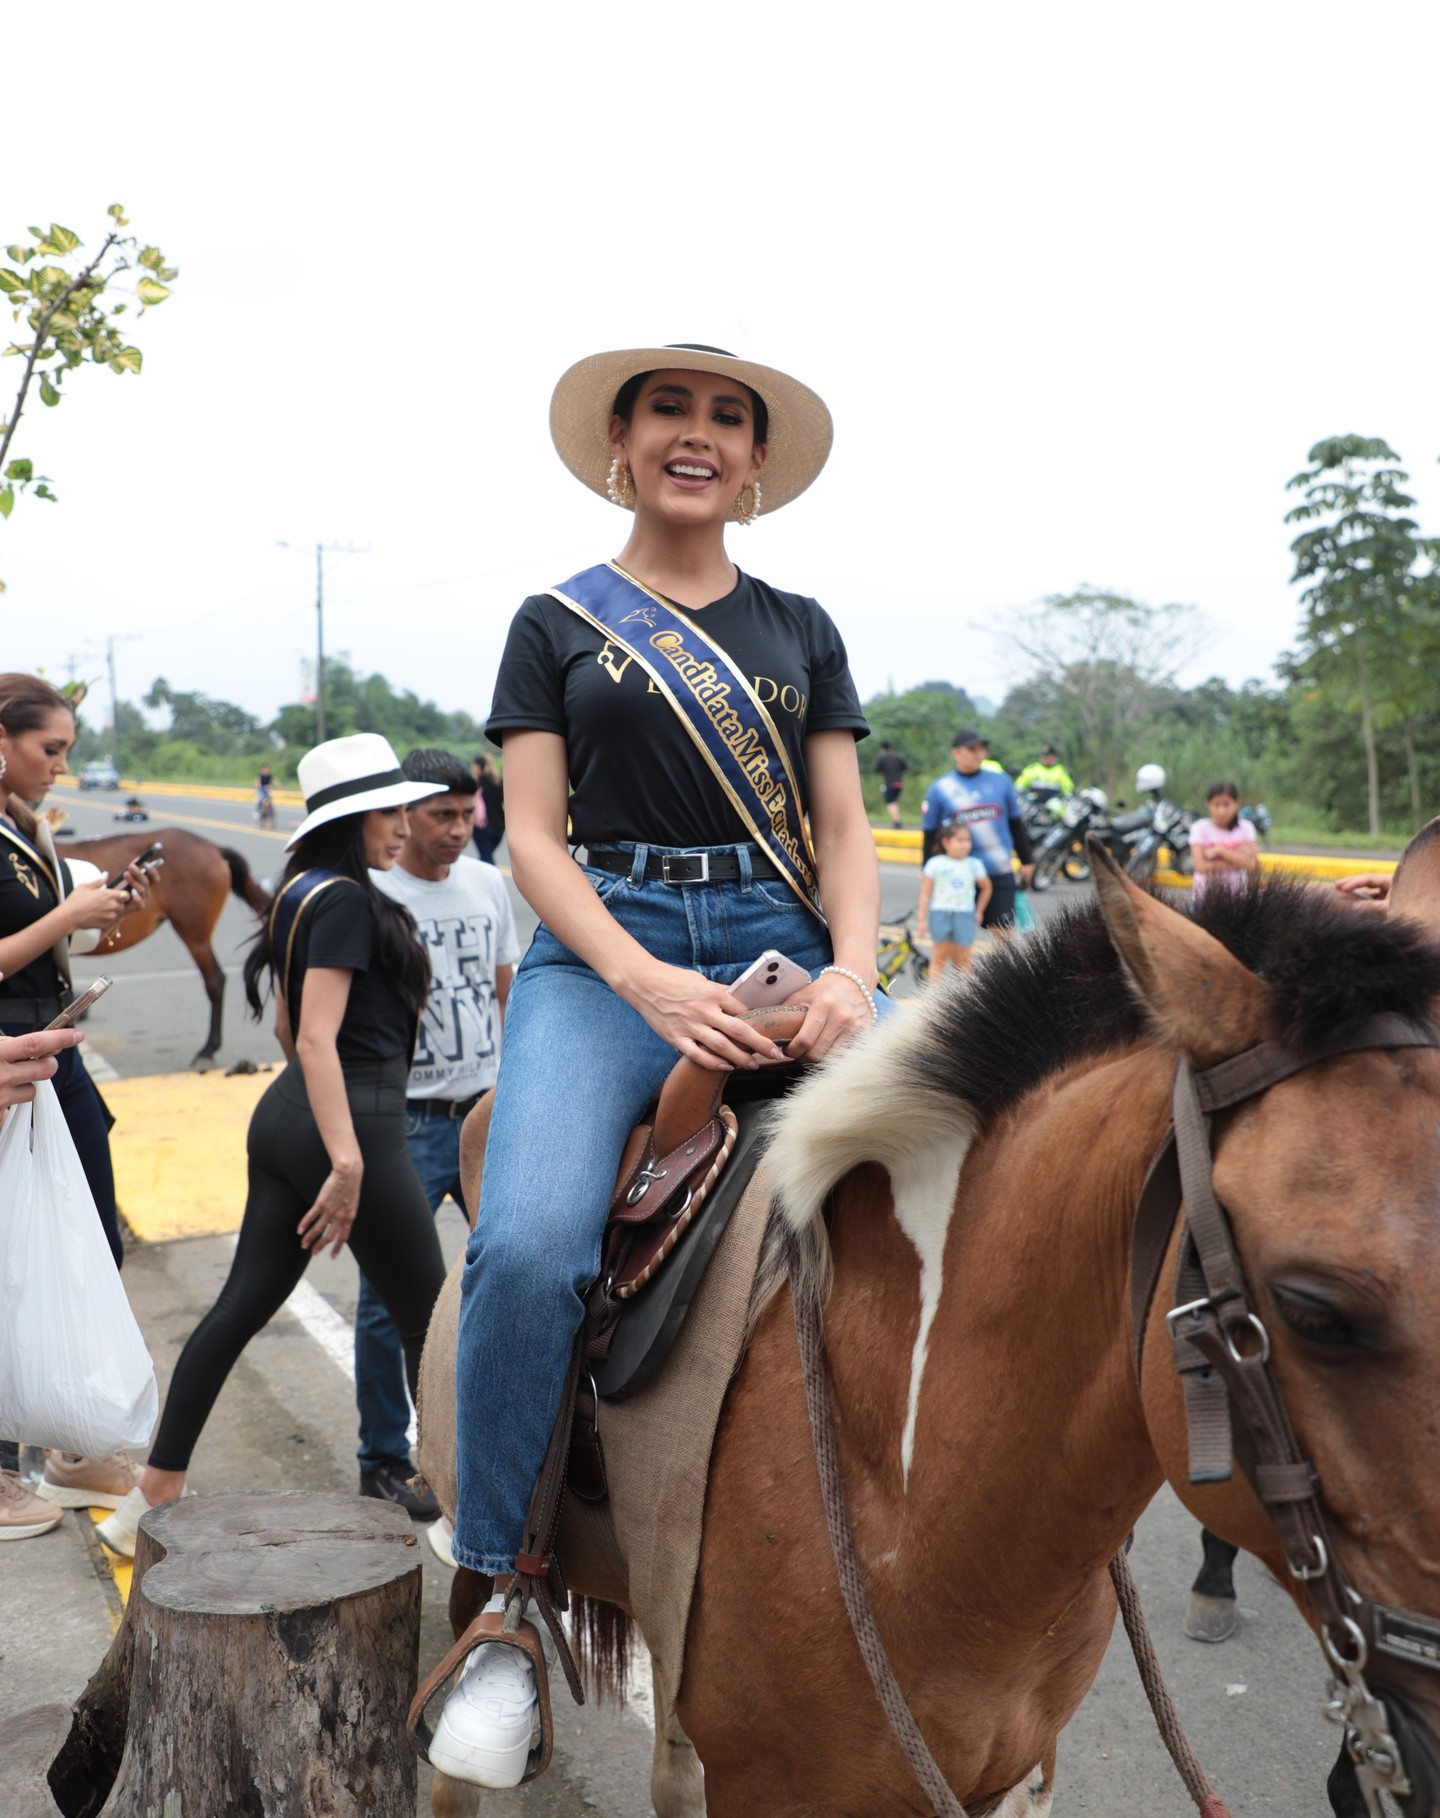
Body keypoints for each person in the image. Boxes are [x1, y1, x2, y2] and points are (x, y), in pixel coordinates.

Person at [429, 342, 885, 1790]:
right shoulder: (552, 620)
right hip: (602, 953)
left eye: (727, 418)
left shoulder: (801, 625)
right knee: (532, 1241)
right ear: (621, 442)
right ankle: (503, 1597)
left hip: (782, 940)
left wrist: (856, 975)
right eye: (671, 410)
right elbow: (534, 839)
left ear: (756, 463)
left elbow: (848, 826)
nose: (700, 435)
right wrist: (639, 977)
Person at [96, 734, 450, 1558]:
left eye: (402, 808)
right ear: (348, 819)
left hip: (288, 1116)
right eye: (386, 810)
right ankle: (468, 1511)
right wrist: (349, 1159)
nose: (401, 825)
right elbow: (319, 1039)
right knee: (432, 1326)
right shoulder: (351, 904)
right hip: (350, 1124)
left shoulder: (300, 890)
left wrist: (318, 1135)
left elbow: (291, 1028)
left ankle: (149, 1493)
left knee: (240, 1306)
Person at [354, 747, 520, 1521]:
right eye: (441, 816)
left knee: (514, 1275)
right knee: (387, 1302)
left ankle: (492, 1439)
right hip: (406, 1124)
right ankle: (385, 1456)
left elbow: (508, 993)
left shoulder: (488, 883)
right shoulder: (370, 894)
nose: (460, 829)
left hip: (485, 1116)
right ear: (403, 816)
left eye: (468, 814)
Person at [0, 673, 151, 1268]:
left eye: (67, 751)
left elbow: (44, 933)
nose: (61, 767)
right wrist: (68, 913)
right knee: (31, 1258)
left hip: (57, 1051)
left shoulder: (21, 827)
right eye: (51, 749)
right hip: (11, 1058)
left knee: (97, 1247)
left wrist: (102, 908)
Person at [920, 730, 1034, 928]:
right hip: (958, 875)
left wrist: (1027, 860)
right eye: (972, 749)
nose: (978, 754)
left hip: (999, 871)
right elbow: (931, 835)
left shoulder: (1001, 781)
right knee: (957, 941)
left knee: (1004, 938)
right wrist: (927, 872)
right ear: (956, 752)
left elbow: (1016, 823)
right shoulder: (940, 788)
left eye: (982, 749)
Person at [916, 819, 992, 979]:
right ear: (946, 842)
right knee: (939, 956)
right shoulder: (935, 864)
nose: (965, 844)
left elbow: (986, 887)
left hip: (965, 914)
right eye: (960, 840)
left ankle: (965, 995)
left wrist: (979, 910)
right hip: (941, 913)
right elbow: (925, 894)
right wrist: (921, 920)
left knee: (963, 959)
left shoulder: (974, 864)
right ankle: (934, 995)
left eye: (967, 840)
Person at [1189, 780, 1258, 902]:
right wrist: (1237, 857)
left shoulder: (1246, 828)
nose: (1221, 811)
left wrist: (1220, 851)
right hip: (1205, 897)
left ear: (1236, 803)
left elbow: (1251, 865)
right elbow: (1200, 866)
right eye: (1216, 805)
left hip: (1237, 897)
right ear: (1209, 805)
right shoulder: (1199, 828)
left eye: (1227, 805)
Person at [470, 754, 505, 865]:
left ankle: (491, 881)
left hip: (482, 826)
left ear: (478, 766)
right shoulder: (497, 782)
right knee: (485, 857)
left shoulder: (475, 783)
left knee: (486, 859)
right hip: (499, 828)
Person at [873, 739, 908, 827]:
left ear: (882, 748)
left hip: (889, 783)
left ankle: (897, 822)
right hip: (899, 783)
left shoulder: (882, 757)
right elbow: (905, 766)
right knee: (894, 802)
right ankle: (897, 820)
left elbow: (876, 770)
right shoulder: (898, 756)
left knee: (890, 802)